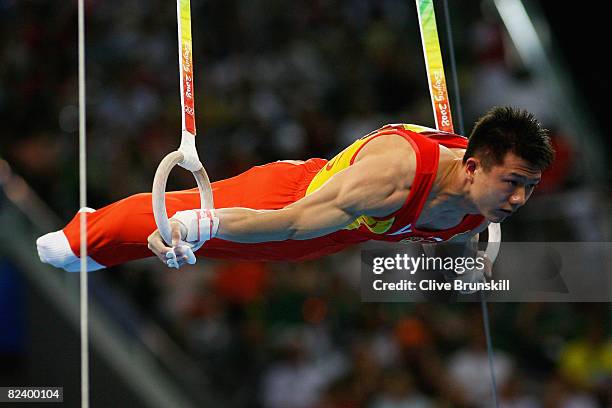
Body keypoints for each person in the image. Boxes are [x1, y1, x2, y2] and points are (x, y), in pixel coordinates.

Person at [37, 106, 553, 272]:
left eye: (528, 187)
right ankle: (86, 237)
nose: (517, 200)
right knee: (184, 218)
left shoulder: (485, 196)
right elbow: (290, 222)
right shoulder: (393, 178)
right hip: (294, 199)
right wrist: (203, 224)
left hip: (334, 236)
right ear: (472, 166)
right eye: (512, 183)